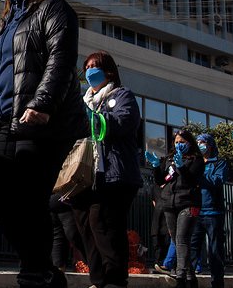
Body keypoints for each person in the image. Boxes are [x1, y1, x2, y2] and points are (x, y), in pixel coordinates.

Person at [0, 0, 86, 288]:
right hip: (7, 121)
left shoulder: (54, 8)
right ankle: (44, 267)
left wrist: (43, 104)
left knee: (30, 197)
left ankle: (33, 273)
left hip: (43, 121)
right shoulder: (8, 21)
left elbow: (61, 59)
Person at [71, 51, 143, 288]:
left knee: (104, 221)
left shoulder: (122, 96)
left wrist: (93, 117)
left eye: (95, 66)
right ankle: (99, 279)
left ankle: (115, 280)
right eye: (87, 66)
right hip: (87, 176)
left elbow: (121, 123)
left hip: (115, 173)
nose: (90, 70)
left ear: (109, 71)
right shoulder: (82, 102)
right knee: (82, 223)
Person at [146, 130, 204, 288]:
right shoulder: (169, 159)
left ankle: (180, 276)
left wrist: (182, 167)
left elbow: (192, 180)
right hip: (170, 204)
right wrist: (156, 166)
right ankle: (191, 277)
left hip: (188, 203)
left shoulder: (197, 160)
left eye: (182, 142)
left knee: (182, 239)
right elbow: (160, 180)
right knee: (176, 240)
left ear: (190, 143)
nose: (179, 145)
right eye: (177, 142)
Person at [188, 133, 226, 288]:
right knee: (192, 248)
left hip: (213, 212)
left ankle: (217, 282)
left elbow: (218, 180)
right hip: (196, 211)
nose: (199, 145)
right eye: (197, 142)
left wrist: (201, 173)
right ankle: (189, 280)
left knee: (215, 250)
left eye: (202, 142)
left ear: (209, 145)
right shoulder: (193, 162)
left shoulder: (219, 163)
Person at [50, 193, 85, 272]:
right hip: (55, 200)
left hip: (68, 197)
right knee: (57, 237)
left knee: (74, 235)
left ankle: (93, 268)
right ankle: (59, 271)